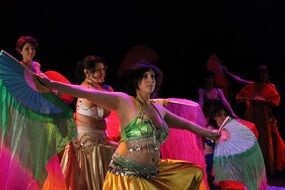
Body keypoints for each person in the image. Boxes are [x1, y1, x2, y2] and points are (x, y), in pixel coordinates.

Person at [36, 60, 220, 190]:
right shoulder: (124, 101)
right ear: (136, 82)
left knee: (193, 173)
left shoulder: (158, 110)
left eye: (152, 77)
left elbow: (186, 124)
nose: (150, 80)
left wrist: (210, 134)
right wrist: (52, 84)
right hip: (127, 176)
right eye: (145, 77)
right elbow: (85, 92)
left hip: (154, 171)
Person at [59, 55, 118, 190]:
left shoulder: (101, 89)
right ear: (87, 72)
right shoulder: (86, 90)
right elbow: (111, 107)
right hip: (88, 143)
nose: (102, 73)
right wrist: (109, 93)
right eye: (98, 70)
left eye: (104, 69)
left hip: (100, 138)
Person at [224, 65, 285, 175]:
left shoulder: (271, 86)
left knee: (266, 142)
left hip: (266, 119)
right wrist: (227, 73)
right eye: (261, 73)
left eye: (265, 73)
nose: (263, 75)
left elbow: (276, 102)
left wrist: (263, 100)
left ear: (268, 75)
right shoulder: (253, 86)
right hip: (253, 117)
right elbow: (240, 86)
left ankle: (267, 168)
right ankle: (252, 167)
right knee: (253, 139)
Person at [208, 107, 268, 190]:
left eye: (224, 115)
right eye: (219, 115)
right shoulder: (211, 129)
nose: (223, 117)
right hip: (213, 161)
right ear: (213, 117)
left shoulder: (227, 128)